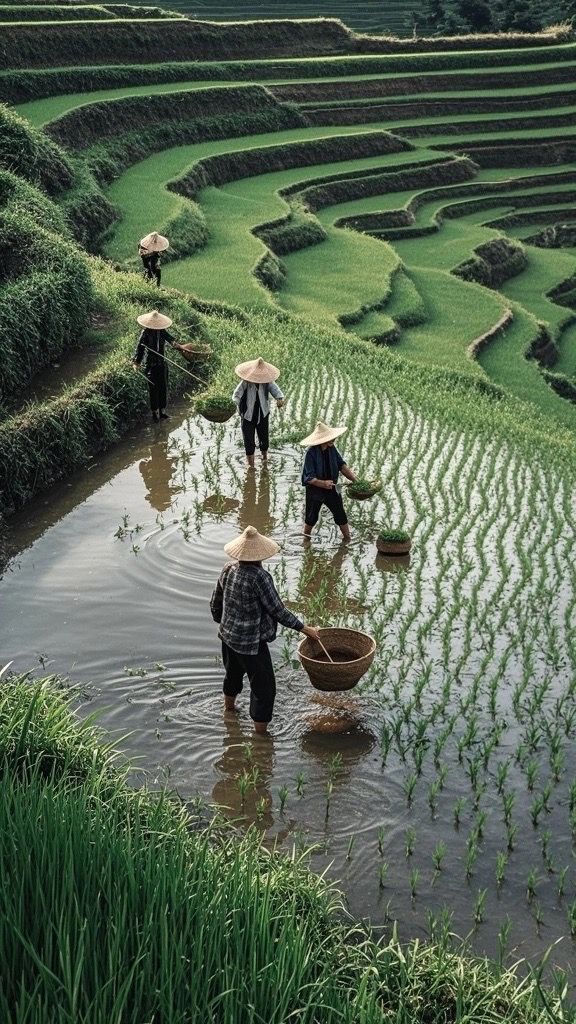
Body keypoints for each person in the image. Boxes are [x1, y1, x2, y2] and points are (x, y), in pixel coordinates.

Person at [210, 525, 320, 733]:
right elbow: (277, 610)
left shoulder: (228, 568)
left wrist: (224, 624)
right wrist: (305, 629)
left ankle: (229, 711)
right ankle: (260, 738)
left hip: (228, 638)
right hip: (251, 644)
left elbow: (216, 601)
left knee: (232, 675)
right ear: (260, 555)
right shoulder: (260, 577)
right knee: (264, 689)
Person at [300, 421, 357, 541]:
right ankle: (305, 540)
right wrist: (323, 483)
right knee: (311, 518)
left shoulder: (332, 449)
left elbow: (342, 465)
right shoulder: (311, 453)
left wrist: (355, 480)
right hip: (315, 491)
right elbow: (309, 478)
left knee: (340, 514)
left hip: (332, 488)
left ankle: (347, 538)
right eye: (329, 438)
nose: (333, 440)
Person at [232, 357, 284, 469]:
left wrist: (279, 398)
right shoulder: (245, 382)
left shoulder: (267, 382)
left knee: (264, 437)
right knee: (248, 440)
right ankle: (251, 465)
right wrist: (233, 405)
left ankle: (264, 458)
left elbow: (275, 389)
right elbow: (236, 395)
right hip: (247, 415)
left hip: (262, 413)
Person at [132, 310, 175, 423]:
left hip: (162, 363)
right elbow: (140, 349)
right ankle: (155, 413)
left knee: (163, 387)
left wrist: (176, 345)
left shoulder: (162, 331)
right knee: (153, 389)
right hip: (151, 365)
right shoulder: (145, 333)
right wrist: (136, 363)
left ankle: (163, 412)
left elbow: (171, 339)